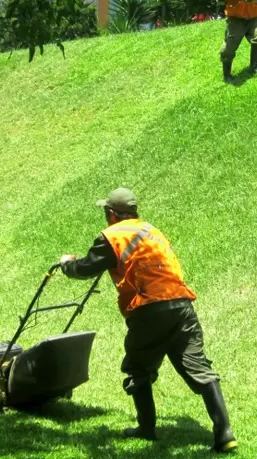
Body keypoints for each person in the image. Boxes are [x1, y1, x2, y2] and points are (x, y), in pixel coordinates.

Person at [59, 188, 238, 453]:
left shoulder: (112, 236)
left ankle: (146, 428)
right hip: (181, 304)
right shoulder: (152, 231)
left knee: (138, 367)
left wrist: (67, 264)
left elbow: (86, 267)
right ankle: (224, 433)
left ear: (111, 214)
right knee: (198, 368)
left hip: (148, 309)